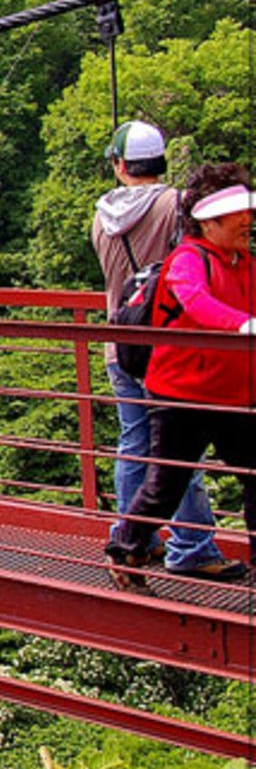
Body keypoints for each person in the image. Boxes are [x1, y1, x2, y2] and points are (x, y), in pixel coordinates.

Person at [92, 122, 233, 577]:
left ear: (119, 165)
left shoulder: (100, 215)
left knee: (135, 444)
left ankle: (132, 541)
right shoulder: (176, 206)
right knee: (178, 449)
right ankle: (191, 548)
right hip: (168, 347)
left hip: (122, 344)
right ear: (161, 162)